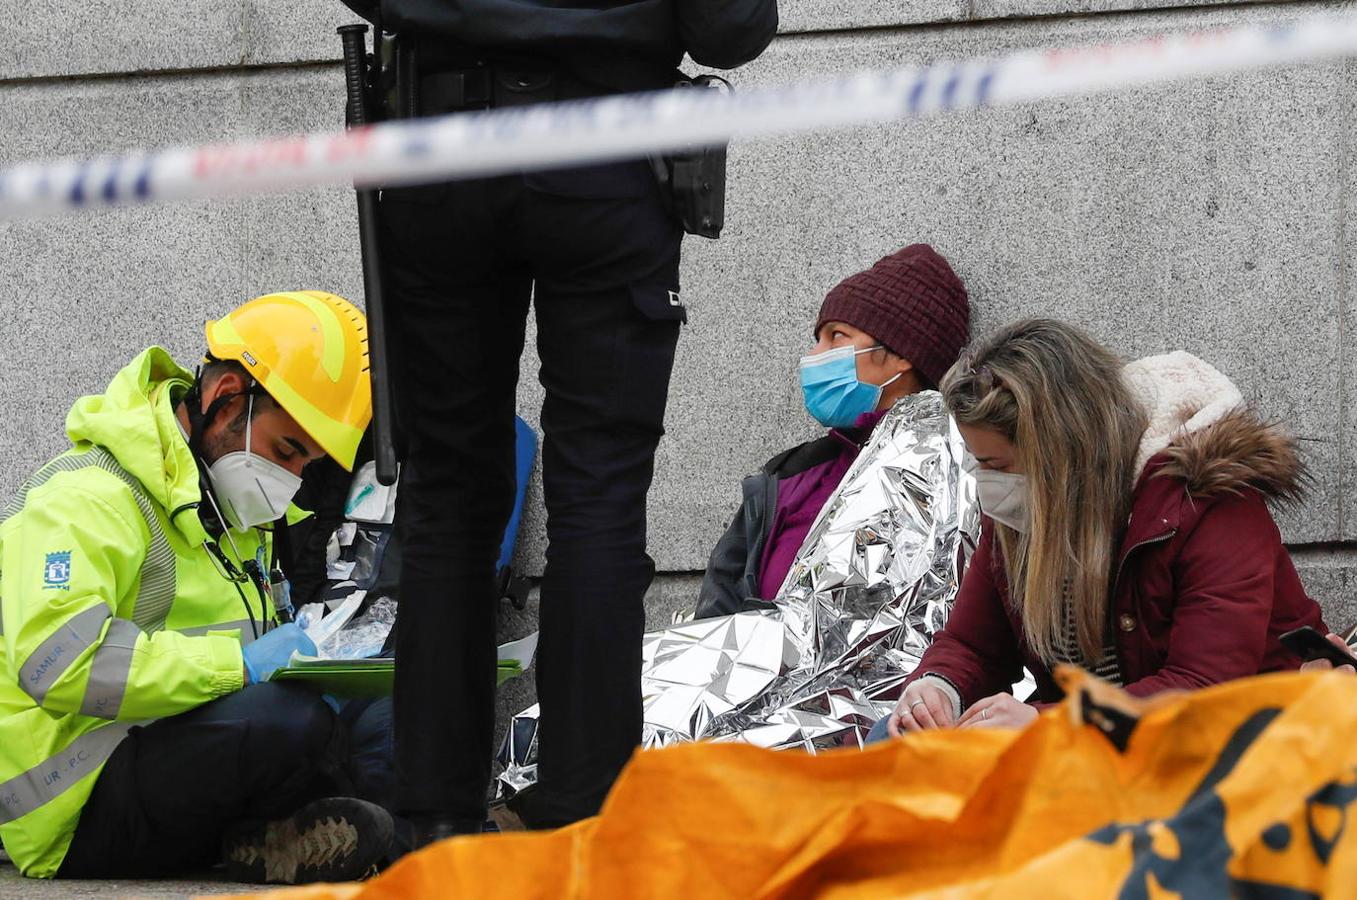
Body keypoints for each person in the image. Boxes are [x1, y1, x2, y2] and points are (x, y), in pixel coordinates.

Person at [334, 0, 779, 840]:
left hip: (441, 147)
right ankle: (585, 825)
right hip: (607, 153)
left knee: (449, 494)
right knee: (599, 491)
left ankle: (433, 825)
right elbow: (730, 26)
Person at [0, 292, 395, 884]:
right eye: (286, 450)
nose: (290, 480)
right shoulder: (86, 498)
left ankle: (349, 839)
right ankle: (299, 832)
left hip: (183, 757)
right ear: (225, 396)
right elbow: (55, 661)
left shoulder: (235, 516)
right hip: (77, 805)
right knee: (291, 720)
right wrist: (238, 664)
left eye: (305, 464)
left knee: (395, 706)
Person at [877, 318, 1327, 738]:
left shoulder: (1206, 502)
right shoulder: (1026, 508)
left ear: (1064, 454)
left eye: (997, 465)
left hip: (1242, 743)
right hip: (1093, 746)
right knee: (893, 739)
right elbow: (972, 644)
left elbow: (1201, 691)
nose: (987, 483)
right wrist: (936, 690)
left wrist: (1044, 726)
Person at [697, 243, 971, 616]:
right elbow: (716, 611)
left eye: (836, 337)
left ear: (902, 354)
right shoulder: (789, 477)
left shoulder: (958, 477)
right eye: (818, 340)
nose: (815, 357)